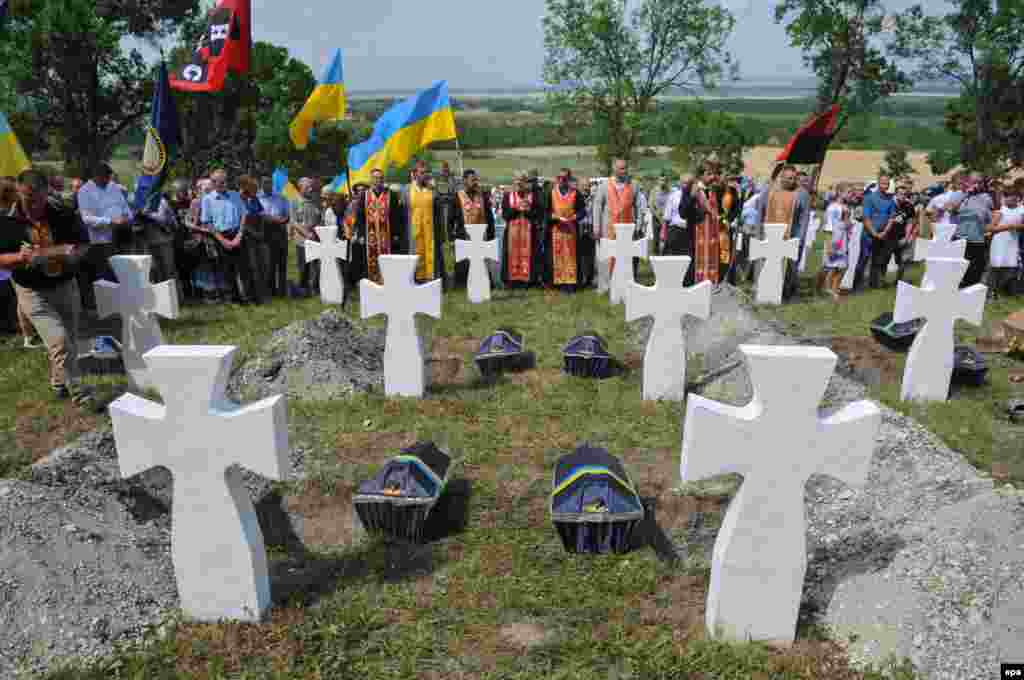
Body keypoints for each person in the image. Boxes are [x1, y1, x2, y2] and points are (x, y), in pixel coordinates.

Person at [0, 170, 93, 407]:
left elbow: (83, 244)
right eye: (27, 199)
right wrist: (19, 258)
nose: (32, 205)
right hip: (31, 291)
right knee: (59, 341)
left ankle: (58, 381)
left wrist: (74, 257)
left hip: (64, 284)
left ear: (46, 192)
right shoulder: (5, 218)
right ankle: (82, 395)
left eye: (37, 199)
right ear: (19, 193)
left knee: (68, 340)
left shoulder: (62, 211)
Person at [76, 163, 134, 310]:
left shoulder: (113, 186)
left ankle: (124, 303)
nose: (108, 181)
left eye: (109, 177)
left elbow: (124, 207)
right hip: (101, 240)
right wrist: (109, 221)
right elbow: (87, 218)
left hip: (122, 235)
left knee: (124, 271)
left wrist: (128, 217)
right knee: (106, 274)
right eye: (105, 178)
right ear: (96, 176)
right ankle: (109, 306)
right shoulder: (84, 191)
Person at [755, 163, 811, 300]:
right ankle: (763, 289)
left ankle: (786, 291)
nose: (792, 181)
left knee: (789, 267)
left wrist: (800, 238)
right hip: (769, 234)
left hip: (790, 236)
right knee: (766, 263)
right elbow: (760, 210)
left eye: (794, 178)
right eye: (789, 178)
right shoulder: (769, 190)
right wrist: (759, 232)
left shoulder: (802, 194)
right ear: (782, 177)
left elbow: (804, 218)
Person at [200, 169, 253, 304]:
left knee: (245, 267)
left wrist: (239, 235)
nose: (223, 184)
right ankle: (235, 299)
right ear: (213, 183)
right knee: (228, 270)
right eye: (220, 182)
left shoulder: (235, 195)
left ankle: (250, 296)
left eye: (225, 181)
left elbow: (244, 215)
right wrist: (223, 240)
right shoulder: (207, 200)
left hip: (238, 234)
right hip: (221, 237)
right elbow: (207, 223)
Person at [351, 168, 406, 285]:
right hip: (370, 235)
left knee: (388, 260)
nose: (378, 180)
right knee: (370, 260)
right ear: (371, 180)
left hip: (387, 235)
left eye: (380, 178)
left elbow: (396, 216)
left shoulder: (391, 195)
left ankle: (388, 282)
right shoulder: (364, 196)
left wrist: (396, 234)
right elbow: (360, 217)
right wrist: (360, 234)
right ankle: (372, 284)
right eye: (375, 178)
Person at [592, 159, 642, 281]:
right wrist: (596, 227)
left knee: (625, 257)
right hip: (608, 228)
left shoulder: (633, 185)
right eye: (621, 168)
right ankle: (608, 282)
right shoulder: (605, 185)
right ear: (614, 169)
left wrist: (639, 225)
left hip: (627, 228)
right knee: (609, 256)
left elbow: (639, 206)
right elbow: (597, 205)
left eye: (625, 168)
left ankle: (626, 281)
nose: (624, 171)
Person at [401, 164, 448, 286]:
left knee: (433, 256)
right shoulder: (406, 190)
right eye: (421, 172)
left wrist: (442, 233)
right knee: (415, 256)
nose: (424, 175)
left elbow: (439, 214)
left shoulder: (433, 191)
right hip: (413, 233)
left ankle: (432, 282)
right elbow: (402, 213)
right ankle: (415, 281)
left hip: (431, 231)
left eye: (426, 172)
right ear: (415, 174)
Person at [449, 169, 496, 288]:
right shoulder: (457, 196)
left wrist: (491, 235)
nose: (475, 182)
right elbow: (450, 219)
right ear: (465, 181)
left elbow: (490, 217)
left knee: (481, 263)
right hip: (463, 235)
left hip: (481, 236)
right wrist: (451, 236)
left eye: (476, 180)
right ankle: (462, 285)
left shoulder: (483, 196)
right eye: (472, 180)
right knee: (463, 264)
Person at [543, 168, 586, 292]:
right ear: (557, 179)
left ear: (569, 179)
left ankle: (570, 283)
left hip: (571, 230)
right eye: (559, 178)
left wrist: (574, 217)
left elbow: (582, 211)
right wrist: (553, 217)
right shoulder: (550, 193)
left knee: (571, 257)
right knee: (555, 257)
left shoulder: (575, 193)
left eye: (565, 178)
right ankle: (556, 283)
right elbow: (545, 211)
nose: (562, 180)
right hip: (556, 229)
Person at [948, 171, 993, 288]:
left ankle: (969, 294)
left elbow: (990, 218)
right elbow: (950, 209)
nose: (976, 185)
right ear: (967, 182)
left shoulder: (986, 198)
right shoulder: (958, 195)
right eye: (974, 182)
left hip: (977, 239)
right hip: (959, 237)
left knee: (974, 271)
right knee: (957, 270)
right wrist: (965, 195)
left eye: (979, 182)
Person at [501, 171, 544, 288]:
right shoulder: (507, 196)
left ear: (526, 182)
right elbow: (505, 216)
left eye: (522, 180)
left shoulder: (533, 196)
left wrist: (527, 210)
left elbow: (539, 214)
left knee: (531, 255)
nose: (519, 183)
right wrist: (516, 209)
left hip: (529, 232)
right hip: (512, 233)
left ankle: (529, 281)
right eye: (517, 180)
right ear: (514, 181)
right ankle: (512, 281)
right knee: (511, 255)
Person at [688, 161, 723, 285]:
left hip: (712, 232)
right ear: (701, 175)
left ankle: (711, 282)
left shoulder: (713, 189)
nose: (713, 177)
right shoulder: (696, 189)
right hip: (698, 232)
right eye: (709, 174)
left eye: (713, 174)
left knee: (712, 258)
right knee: (699, 261)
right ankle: (700, 284)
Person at [986, 184, 1022, 297]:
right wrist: (1008, 226)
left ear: (1018, 197)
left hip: (1012, 242)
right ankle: (991, 292)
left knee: (1010, 268)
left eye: (1013, 196)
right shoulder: (1001, 211)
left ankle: (998, 290)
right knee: (996, 267)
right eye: (1008, 196)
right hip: (999, 242)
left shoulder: (1021, 210)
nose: (1010, 198)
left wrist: (1018, 226)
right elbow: (989, 228)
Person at [258, 176, 291, 298]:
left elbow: (287, 216)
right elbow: (261, 216)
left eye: (269, 183)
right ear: (261, 184)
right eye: (265, 183)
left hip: (281, 233)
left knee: (282, 263)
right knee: (269, 264)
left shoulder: (281, 198)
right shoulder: (258, 199)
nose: (268, 185)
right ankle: (270, 291)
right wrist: (277, 220)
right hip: (266, 234)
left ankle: (282, 291)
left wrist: (281, 220)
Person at [289, 177, 322, 296]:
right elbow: (293, 221)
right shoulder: (294, 201)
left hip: (316, 238)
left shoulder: (316, 201)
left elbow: (319, 218)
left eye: (311, 186)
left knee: (316, 265)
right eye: (307, 187)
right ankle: (303, 289)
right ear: (300, 188)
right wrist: (306, 233)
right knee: (304, 266)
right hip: (302, 240)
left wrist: (317, 231)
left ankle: (315, 288)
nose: (311, 189)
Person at [238, 175, 267, 304]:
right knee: (249, 267)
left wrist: (260, 231)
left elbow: (260, 214)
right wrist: (254, 233)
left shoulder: (254, 199)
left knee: (260, 266)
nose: (256, 189)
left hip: (258, 236)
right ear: (244, 186)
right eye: (252, 187)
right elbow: (241, 220)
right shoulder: (239, 199)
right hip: (246, 237)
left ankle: (260, 294)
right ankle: (248, 296)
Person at [822, 204, 854, 302]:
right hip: (834, 245)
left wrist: (848, 219)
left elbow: (849, 227)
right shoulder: (834, 222)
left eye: (848, 214)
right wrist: (829, 247)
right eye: (845, 214)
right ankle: (829, 289)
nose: (847, 216)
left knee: (841, 268)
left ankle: (833, 288)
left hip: (842, 246)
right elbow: (828, 232)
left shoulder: (846, 222)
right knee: (833, 268)